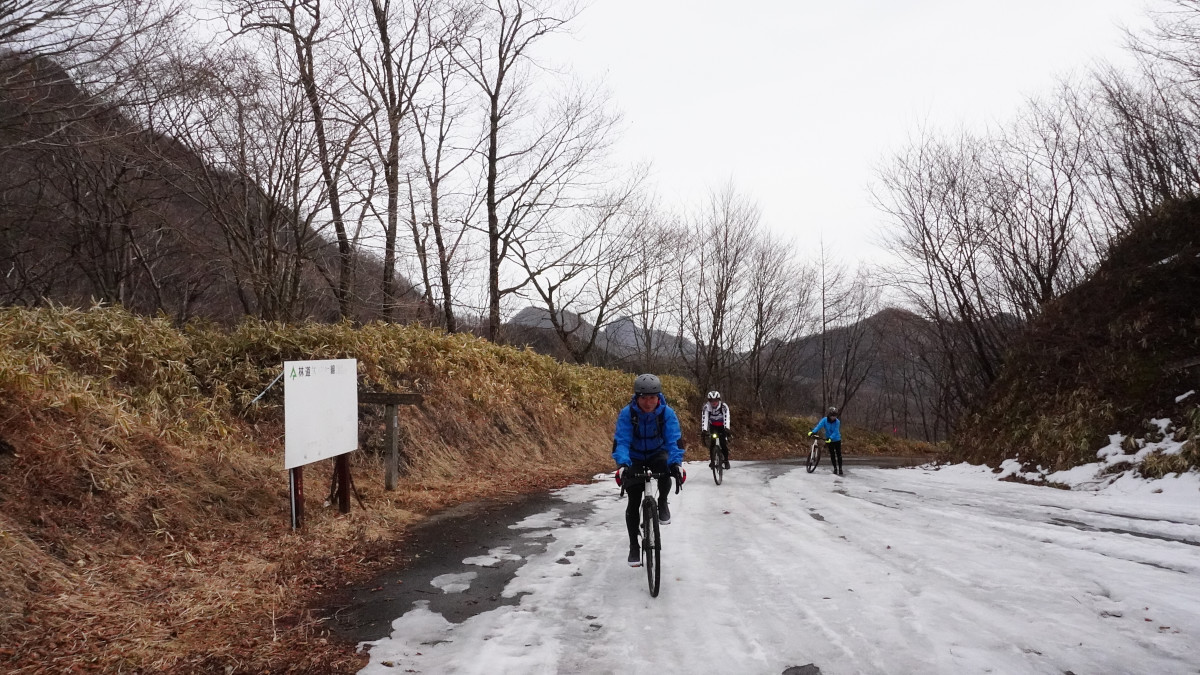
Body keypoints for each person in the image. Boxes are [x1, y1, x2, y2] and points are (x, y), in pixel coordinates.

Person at [613, 373, 685, 567]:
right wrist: (623, 465)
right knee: (634, 499)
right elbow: (622, 441)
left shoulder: (666, 413)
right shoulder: (628, 413)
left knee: (667, 469)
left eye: (652, 397)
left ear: (658, 396)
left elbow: (674, 441)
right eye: (643, 397)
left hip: (656, 453)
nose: (648, 402)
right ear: (636, 397)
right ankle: (633, 546)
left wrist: (676, 464)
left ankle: (662, 502)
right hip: (634, 456)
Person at [700, 390, 732, 470]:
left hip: (722, 426)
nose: (714, 402)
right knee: (713, 443)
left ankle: (726, 461)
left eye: (716, 400)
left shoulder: (724, 406)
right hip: (713, 426)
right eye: (711, 401)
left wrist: (727, 429)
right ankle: (712, 461)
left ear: (719, 400)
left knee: (723, 443)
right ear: (709, 401)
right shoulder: (706, 407)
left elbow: (726, 417)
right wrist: (704, 430)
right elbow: (705, 419)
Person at [809, 407, 843, 475]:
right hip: (829, 440)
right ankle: (835, 468)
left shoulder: (837, 422)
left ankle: (840, 468)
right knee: (832, 454)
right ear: (829, 415)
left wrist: (831, 437)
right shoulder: (824, 420)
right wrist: (813, 432)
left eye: (835, 416)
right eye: (832, 416)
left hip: (836, 439)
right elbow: (819, 426)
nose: (833, 417)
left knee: (838, 454)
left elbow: (836, 431)